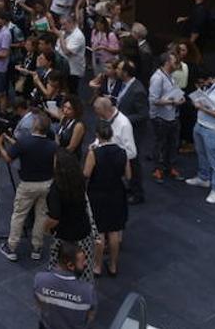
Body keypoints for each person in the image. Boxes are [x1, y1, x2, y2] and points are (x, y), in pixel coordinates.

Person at [0, 113, 57, 262]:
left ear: (35, 126)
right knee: (41, 216)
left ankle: (11, 247)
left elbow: (8, 158)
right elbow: (55, 166)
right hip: (46, 184)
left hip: (28, 185)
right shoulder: (53, 145)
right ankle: (37, 247)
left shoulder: (25, 142)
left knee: (19, 215)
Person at [84, 121, 129, 279]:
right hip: (116, 193)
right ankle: (113, 265)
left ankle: (97, 266)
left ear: (97, 135)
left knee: (100, 233)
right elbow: (128, 175)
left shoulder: (94, 153)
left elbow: (86, 174)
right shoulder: (122, 152)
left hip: (98, 195)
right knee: (114, 231)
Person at [44, 149, 95, 280]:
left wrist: (45, 228)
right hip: (83, 231)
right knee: (84, 266)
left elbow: (54, 218)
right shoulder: (79, 180)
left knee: (59, 267)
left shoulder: (55, 190)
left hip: (65, 236)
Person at [185, 73, 215, 203]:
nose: (201, 85)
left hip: (213, 130)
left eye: (203, 82)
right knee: (201, 154)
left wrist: (203, 109)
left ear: (210, 79)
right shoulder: (207, 87)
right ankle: (203, 178)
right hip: (200, 125)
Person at [34, 242, 96, 329]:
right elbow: (90, 316)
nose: (85, 264)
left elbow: (39, 305)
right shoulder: (88, 291)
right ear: (70, 265)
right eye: (82, 262)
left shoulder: (39, 279)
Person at [111, 61, 147, 203]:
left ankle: (138, 193)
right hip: (124, 129)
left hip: (134, 131)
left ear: (125, 72)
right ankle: (130, 186)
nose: (116, 70)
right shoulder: (124, 85)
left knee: (134, 162)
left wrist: (122, 118)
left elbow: (143, 114)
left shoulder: (138, 90)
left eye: (119, 69)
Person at [147, 52, 184, 182]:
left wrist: (178, 98)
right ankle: (157, 169)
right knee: (160, 143)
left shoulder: (171, 77)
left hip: (172, 115)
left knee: (172, 144)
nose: (177, 63)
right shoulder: (158, 78)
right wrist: (173, 102)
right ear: (167, 62)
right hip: (160, 117)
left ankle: (169, 166)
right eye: (174, 61)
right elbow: (153, 100)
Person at [55, 14, 86, 95]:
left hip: (73, 70)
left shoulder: (78, 36)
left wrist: (61, 37)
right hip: (62, 67)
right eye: (61, 24)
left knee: (72, 92)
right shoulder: (65, 31)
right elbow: (58, 47)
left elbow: (66, 51)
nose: (62, 27)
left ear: (71, 23)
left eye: (64, 24)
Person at [54, 96, 87, 161]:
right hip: (60, 151)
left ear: (76, 110)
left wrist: (58, 155)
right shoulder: (64, 118)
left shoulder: (79, 125)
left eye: (69, 109)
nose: (65, 110)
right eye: (65, 107)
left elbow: (72, 147)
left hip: (70, 157)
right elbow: (59, 133)